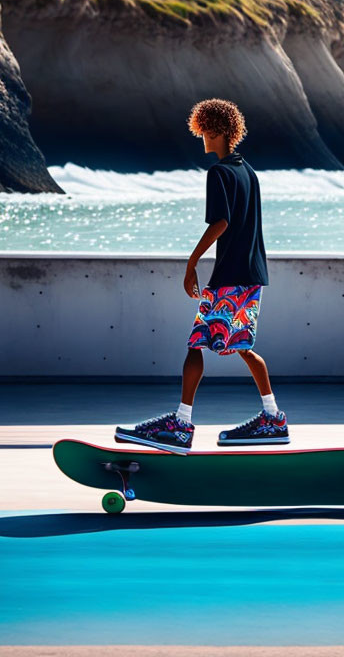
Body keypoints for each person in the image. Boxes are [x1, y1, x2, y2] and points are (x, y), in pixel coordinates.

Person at [115, 98, 289, 453]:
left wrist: (191, 262)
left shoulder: (219, 173)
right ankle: (273, 417)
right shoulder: (249, 172)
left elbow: (222, 223)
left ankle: (181, 424)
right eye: (201, 129)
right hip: (253, 273)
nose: (203, 136)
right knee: (242, 345)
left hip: (230, 275)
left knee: (197, 344)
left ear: (223, 131)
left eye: (207, 130)